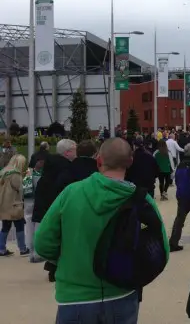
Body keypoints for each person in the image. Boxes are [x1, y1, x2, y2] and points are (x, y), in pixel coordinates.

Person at [34, 138, 169, 324]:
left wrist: (67, 260)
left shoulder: (71, 193)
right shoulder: (142, 199)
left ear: (98, 160)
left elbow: (42, 243)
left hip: (75, 295)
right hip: (122, 292)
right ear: (130, 162)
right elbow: (162, 250)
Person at [32, 138, 77, 282]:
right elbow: (62, 186)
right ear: (68, 152)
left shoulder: (51, 163)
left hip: (46, 203)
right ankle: (54, 267)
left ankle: (52, 266)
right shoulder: (65, 167)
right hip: (56, 204)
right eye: (75, 150)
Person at [0, 154, 29, 257]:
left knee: (5, 227)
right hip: (14, 204)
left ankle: (1, 249)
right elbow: (20, 189)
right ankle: (23, 248)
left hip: (4, 204)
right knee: (20, 225)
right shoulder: (15, 174)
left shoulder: (4, 171)